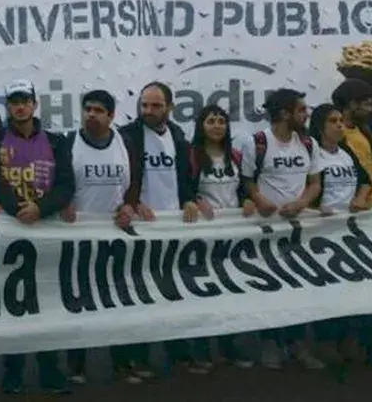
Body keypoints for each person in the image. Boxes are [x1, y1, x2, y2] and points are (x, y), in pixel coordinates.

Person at [0, 80, 72, 394]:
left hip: (46, 230)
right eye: (13, 101)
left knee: (48, 302)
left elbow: (66, 184)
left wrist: (41, 207)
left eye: (25, 101)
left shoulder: (56, 141)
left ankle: (50, 369)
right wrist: (16, 207)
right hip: (11, 232)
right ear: (7, 106)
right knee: (14, 303)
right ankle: (14, 371)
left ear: (35, 104)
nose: (19, 106)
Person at [237, 88, 324, 370]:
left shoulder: (309, 144)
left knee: (301, 287)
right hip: (268, 232)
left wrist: (301, 204)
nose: (306, 114)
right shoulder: (256, 142)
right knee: (271, 288)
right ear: (285, 113)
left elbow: (315, 183)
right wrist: (260, 199)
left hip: (300, 232)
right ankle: (270, 344)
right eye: (301, 110)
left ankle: (298, 345)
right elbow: (247, 181)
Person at [61, 90, 142, 385]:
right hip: (78, 236)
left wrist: (128, 205)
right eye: (87, 109)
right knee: (78, 301)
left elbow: (135, 181)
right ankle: (76, 365)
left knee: (118, 300)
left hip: (115, 234)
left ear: (111, 116)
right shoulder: (68, 142)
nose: (91, 115)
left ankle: (122, 363)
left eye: (98, 110)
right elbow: (60, 181)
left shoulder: (126, 143)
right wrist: (63, 202)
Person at [117, 81, 194, 376]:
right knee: (135, 296)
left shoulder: (177, 136)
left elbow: (184, 177)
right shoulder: (127, 136)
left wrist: (188, 199)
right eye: (144, 105)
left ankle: (178, 353)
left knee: (175, 292)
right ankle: (130, 359)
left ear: (170, 108)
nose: (148, 111)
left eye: (155, 106)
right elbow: (120, 178)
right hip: (139, 229)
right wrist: (132, 203)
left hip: (173, 227)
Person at [187, 105, 252, 368]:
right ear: (201, 126)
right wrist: (194, 200)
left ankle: (229, 346)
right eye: (211, 121)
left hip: (232, 235)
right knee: (203, 291)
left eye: (221, 121)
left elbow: (247, 186)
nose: (216, 126)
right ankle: (201, 349)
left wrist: (248, 200)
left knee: (230, 291)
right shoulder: (191, 156)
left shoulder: (235, 156)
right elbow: (183, 188)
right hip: (201, 236)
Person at [309, 102, 372, 366]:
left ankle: (349, 341)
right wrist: (315, 209)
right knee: (326, 291)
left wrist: (359, 198)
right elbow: (307, 187)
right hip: (322, 236)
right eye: (333, 121)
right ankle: (324, 344)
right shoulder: (312, 152)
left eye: (340, 120)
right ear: (321, 126)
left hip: (350, 234)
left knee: (354, 288)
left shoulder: (346, 151)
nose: (339, 125)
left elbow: (365, 180)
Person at [332, 78, 372, 175]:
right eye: (368, 104)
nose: (370, 110)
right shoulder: (334, 136)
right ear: (352, 104)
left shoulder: (363, 131)